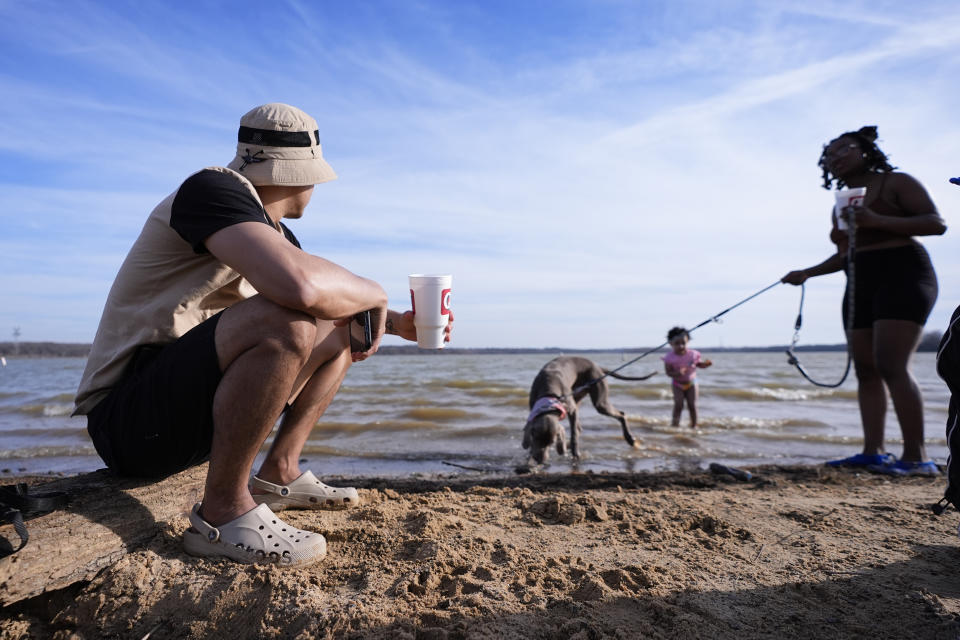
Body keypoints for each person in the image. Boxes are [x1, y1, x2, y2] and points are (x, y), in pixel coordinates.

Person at [73, 103, 453, 567]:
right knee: (290, 316)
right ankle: (224, 512)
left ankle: (278, 473)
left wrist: (394, 323)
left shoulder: (274, 233)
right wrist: (372, 290)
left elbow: (318, 296)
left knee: (341, 326)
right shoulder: (210, 190)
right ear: (295, 172)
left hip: (180, 415)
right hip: (128, 422)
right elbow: (300, 287)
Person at [781, 126, 945, 476]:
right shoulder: (840, 203)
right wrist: (807, 273)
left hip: (903, 272)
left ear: (865, 150)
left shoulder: (897, 183)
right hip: (859, 279)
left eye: (843, 150)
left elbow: (936, 223)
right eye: (829, 156)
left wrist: (877, 219)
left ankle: (917, 458)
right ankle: (873, 452)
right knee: (866, 368)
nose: (835, 159)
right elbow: (845, 254)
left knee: (891, 364)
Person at [662, 326, 712, 428]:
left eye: (683, 343)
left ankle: (694, 425)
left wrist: (705, 364)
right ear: (670, 343)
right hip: (677, 384)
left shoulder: (693, 354)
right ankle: (675, 425)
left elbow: (698, 364)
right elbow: (668, 373)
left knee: (692, 405)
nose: (681, 346)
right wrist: (677, 373)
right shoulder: (669, 358)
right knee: (678, 405)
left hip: (692, 383)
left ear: (688, 341)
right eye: (677, 343)